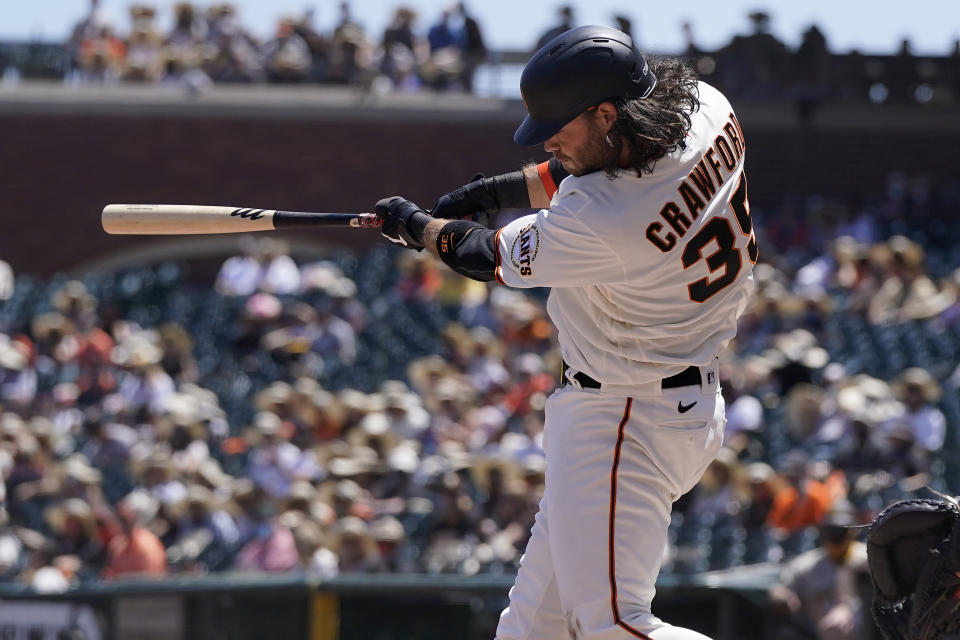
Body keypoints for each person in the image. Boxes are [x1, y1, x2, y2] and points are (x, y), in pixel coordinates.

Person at [373, 25, 755, 640]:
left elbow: (483, 255)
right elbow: (597, 161)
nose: (548, 140)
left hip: (625, 414)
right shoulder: (706, 107)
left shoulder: (602, 220)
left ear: (606, 113)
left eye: (559, 125)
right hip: (674, 397)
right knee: (530, 633)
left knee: (611, 627)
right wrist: (495, 190)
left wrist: (418, 226)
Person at [769, 502, 871, 640]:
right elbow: (781, 588)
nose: (834, 537)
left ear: (853, 531)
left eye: (839, 531)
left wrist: (848, 608)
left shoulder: (870, 559)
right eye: (830, 531)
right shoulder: (807, 565)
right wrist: (784, 597)